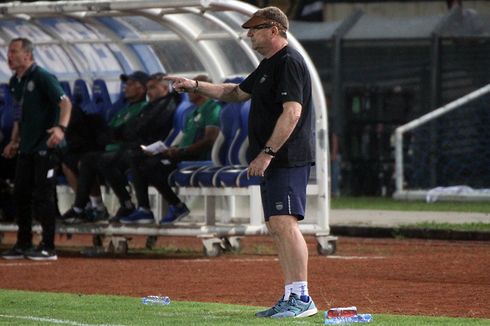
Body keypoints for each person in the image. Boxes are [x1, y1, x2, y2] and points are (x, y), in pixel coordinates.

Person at [165, 7, 317, 318]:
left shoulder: (288, 62)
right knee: (276, 225)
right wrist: (195, 85)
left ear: (274, 30)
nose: (248, 34)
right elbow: (234, 93)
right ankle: (291, 296)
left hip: (287, 157)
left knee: (285, 224)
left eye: (254, 29)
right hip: (278, 159)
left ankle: (302, 298)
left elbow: (293, 113)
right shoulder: (268, 64)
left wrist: (267, 153)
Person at [1, 37, 72, 261]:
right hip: (27, 148)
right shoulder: (15, 81)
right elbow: (19, 116)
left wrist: (61, 128)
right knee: (21, 194)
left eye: (14, 52)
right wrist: (14, 141)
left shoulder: (42, 76)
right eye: (8, 51)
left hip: (46, 146)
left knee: (43, 195)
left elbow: (65, 103)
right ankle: (23, 243)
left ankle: (48, 246)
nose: (9, 56)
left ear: (28, 55)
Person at [121, 75, 221, 224]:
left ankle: (176, 206)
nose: (187, 92)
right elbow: (185, 140)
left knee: (149, 166)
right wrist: (171, 149)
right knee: (137, 158)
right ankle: (145, 210)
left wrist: (181, 152)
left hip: (195, 158)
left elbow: (209, 140)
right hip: (181, 155)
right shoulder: (192, 112)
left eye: (191, 88)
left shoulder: (212, 108)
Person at [60, 71, 148, 224]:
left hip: (125, 152)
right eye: (126, 84)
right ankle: (89, 206)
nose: (125, 87)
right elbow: (111, 131)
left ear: (142, 89)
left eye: (131, 84)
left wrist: (113, 135)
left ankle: (86, 207)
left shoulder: (144, 108)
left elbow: (127, 133)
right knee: (69, 161)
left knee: (90, 160)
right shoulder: (124, 108)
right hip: (109, 149)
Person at [102, 72, 179, 224]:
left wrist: (129, 133)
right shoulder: (152, 105)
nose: (148, 91)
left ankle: (146, 208)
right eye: (148, 88)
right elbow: (132, 127)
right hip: (142, 148)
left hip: (156, 150)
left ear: (164, 88)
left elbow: (145, 128)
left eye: (152, 88)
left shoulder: (167, 104)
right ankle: (131, 205)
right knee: (103, 160)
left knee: (135, 159)